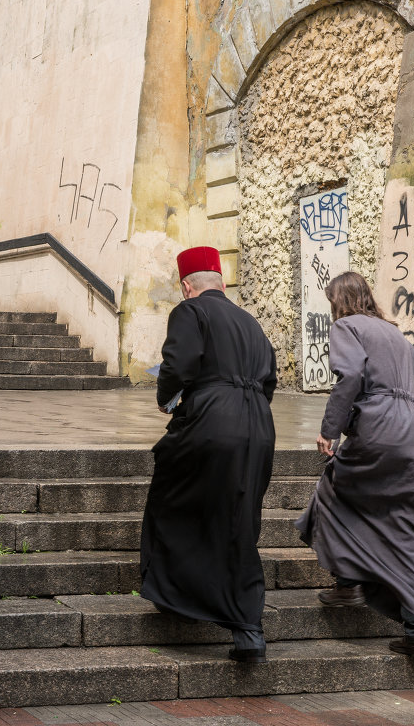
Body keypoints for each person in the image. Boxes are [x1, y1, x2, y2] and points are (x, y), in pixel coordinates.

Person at [142, 246, 278, 663]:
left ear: (188, 286)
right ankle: (247, 630)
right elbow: (269, 378)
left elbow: (178, 365)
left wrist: (167, 399)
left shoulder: (190, 312)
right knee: (238, 521)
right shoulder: (251, 322)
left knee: (171, 499)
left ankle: (175, 597)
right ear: (221, 281)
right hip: (258, 426)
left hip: (212, 419)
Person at [296, 271, 414, 659]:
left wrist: (333, 429)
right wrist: (402, 415)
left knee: (331, 490)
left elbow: (351, 376)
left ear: (338, 302)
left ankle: (347, 582)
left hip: (379, 427)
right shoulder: (395, 333)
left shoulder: (347, 326)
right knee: (411, 526)